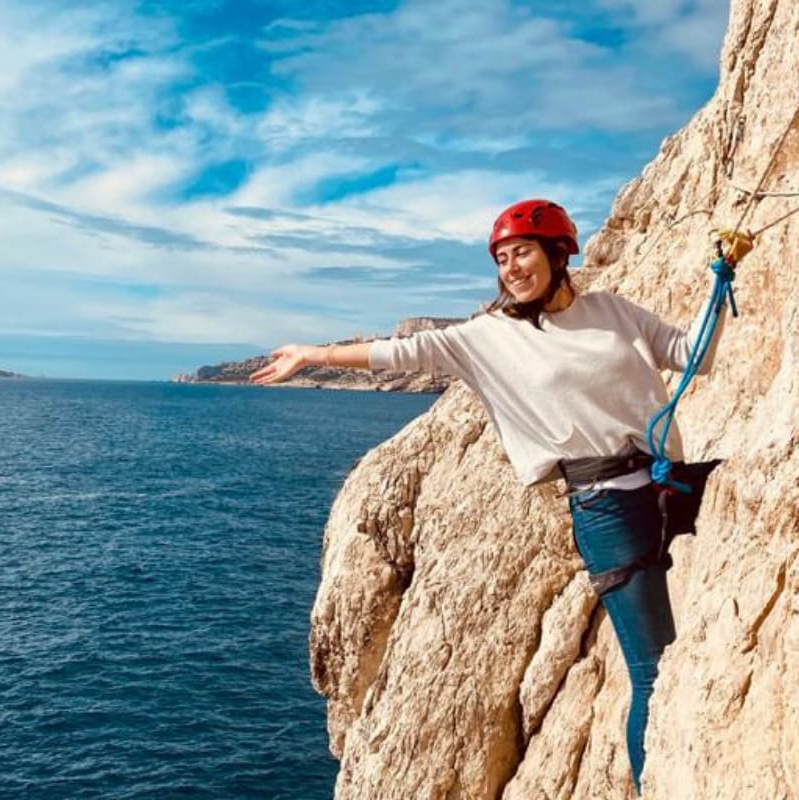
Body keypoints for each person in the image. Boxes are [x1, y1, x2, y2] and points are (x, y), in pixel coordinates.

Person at [249, 198, 729, 796]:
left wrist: (722, 285)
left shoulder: (614, 313)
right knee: (652, 668)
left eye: (522, 253)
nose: (511, 269)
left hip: (666, 483)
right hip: (607, 507)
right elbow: (400, 353)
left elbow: (695, 356)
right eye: (502, 259)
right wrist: (312, 354)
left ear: (559, 254)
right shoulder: (489, 337)